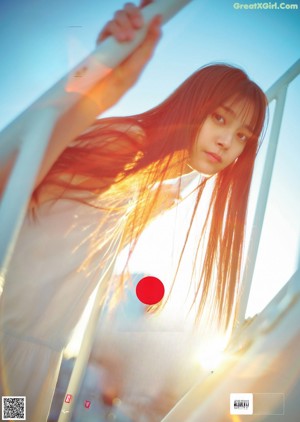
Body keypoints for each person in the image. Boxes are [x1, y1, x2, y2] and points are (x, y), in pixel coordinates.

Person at [0, 2, 268, 421]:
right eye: (220, 118)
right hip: (9, 345)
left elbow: (166, 195)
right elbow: (31, 153)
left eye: (242, 136)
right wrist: (112, 72)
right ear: (194, 105)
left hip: (36, 359)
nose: (226, 142)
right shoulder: (126, 145)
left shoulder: (150, 188)